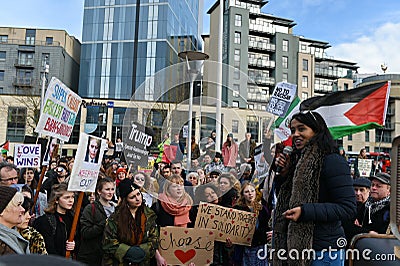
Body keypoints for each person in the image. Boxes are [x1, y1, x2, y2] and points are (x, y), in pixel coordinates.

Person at [273, 111, 356, 265]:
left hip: (324, 252)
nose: (295, 134)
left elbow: (347, 208)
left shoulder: (333, 161)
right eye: (292, 130)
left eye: (301, 129)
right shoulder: (297, 162)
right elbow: (287, 201)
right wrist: (283, 176)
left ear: (316, 130)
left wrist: (305, 211)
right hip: (295, 250)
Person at [102, 178, 159, 266]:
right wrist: (127, 251)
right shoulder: (116, 218)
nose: (137, 199)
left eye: (138, 194)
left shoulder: (149, 215)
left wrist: (143, 250)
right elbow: (108, 242)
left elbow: (154, 238)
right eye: (132, 197)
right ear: (126, 200)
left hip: (143, 262)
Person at [33, 183, 78, 257]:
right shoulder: (46, 221)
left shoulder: (74, 218)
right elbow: (48, 247)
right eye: (66, 198)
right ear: (56, 200)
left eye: (72, 197)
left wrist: (74, 244)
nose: (71, 200)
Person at [78, 177, 116, 265]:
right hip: (93, 256)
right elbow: (85, 232)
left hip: (110, 256)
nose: (110, 192)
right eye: (107, 189)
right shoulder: (91, 208)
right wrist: (105, 223)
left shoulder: (117, 208)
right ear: (99, 191)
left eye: (112, 189)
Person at [233, 182, 270, 265]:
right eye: (247, 192)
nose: (250, 193)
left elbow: (266, 225)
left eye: (252, 191)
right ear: (242, 194)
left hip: (259, 245)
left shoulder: (262, 209)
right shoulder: (238, 209)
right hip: (244, 247)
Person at [0, 186, 29, 255]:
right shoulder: (2, 244)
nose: (23, 209)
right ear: (2, 211)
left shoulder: (11, 235)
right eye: (18, 205)